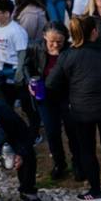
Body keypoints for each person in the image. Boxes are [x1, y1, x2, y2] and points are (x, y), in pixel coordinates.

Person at [46, 16, 101, 201]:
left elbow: (51, 83)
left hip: (81, 110)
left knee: (87, 150)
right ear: (93, 32)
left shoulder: (68, 55)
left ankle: (96, 190)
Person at [25, 22, 81, 180]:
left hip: (67, 95)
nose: (55, 45)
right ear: (44, 37)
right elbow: (26, 66)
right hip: (45, 96)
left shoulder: (71, 50)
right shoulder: (35, 47)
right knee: (52, 132)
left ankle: (77, 163)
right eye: (51, 41)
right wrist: (30, 81)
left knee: (73, 132)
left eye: (59, 41)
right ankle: (59, 163)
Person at [0, 0, 36, 135]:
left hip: (15, 70)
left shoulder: (17, 31)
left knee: (27, 106)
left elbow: (22, 53)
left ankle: (34, 132)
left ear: (7, 13)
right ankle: (11, 130)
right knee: (6, 103)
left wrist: (19, 73)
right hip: (2, 71)